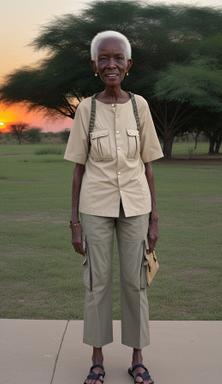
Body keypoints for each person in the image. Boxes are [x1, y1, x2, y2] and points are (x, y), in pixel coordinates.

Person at [64, 30, 163, 384]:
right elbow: (78, 169)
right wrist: (74, 223)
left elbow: (148, 164)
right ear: (94, 66)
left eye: (118, 58)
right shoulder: (86, 110)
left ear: (128, 64)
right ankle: (97, 359)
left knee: (136, 282)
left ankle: (137, 358)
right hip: (96, 207)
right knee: (96, 283)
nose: (111, 65)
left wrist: (154, 218)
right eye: (103, 59)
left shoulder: (141, 107)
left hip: (136, 205)